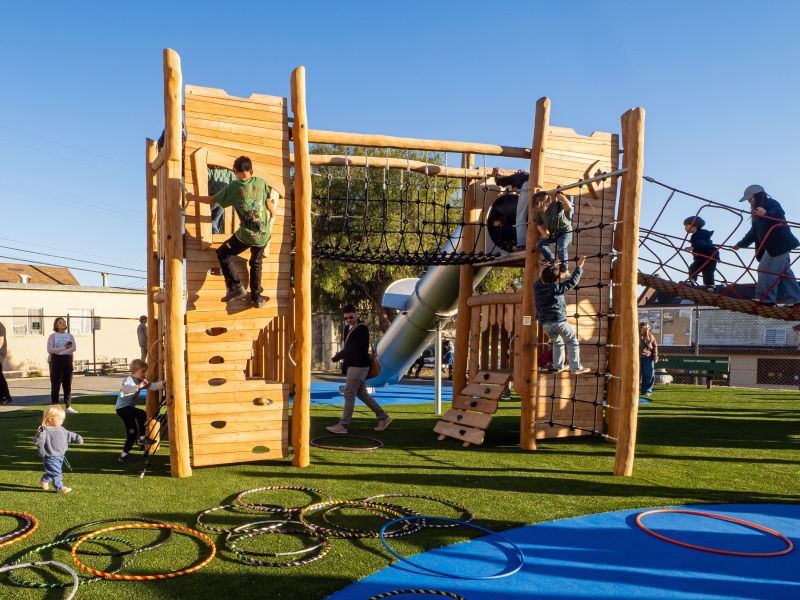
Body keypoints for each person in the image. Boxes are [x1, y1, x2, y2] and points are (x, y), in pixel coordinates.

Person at [196, 156, 276, 308]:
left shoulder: (235, 186)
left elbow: (212, 200)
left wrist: (192, 197)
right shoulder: (261, 182)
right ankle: (256, 298)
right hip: (263, 235)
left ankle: (236, 287)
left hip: (247, 235)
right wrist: (273, 213)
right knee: (256, 263)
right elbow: (267, 202)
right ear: (251, 170)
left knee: (223, 253)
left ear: (236, 172)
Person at [327, 305, 392, 434]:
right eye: (346, 318)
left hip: (359, 365)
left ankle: (343, 425)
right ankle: (383, 417)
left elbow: (353, 348)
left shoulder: (362, 329)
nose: (348, 320)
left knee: (349, 393)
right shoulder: (347, 328)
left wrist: (337, 357)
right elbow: (348, 347)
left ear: (356, 314)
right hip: (353, 365)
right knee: (361, 393)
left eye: (351, 317)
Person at [733, 184, 800, 306]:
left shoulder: (771, 203)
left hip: (778, 245)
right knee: (784, 273)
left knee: (765, 270)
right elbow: (754, 232)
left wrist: (766, 213)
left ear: (758, 196)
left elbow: (778, 213)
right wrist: (740, 244)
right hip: (775, 246)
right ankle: (794, 300)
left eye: (750, 198)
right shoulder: (755, 213)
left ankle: (766, 299)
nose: (749, 201)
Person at [534, 257, 591, 375]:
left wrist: (553, 266)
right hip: (558, 321)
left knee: (558, 342)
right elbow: (572, 282)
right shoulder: (556, 288)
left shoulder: (537, 287)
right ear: (556, 279)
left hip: (545, 324)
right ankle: (575, 367)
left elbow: (542, 277)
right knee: (572, 341)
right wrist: (579, 267)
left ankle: (557, 366)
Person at [116, 359, 164, 463]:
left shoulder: (141, 381)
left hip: (128, 409)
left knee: (132, 433)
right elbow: (124, 389)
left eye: (145, 371)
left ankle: (124, 455)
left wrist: (164, 383)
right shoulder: (128, 379)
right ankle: (142, 438)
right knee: (141, 414)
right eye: (142, 371)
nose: (144, 374)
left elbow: (153, 386)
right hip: (122, 408)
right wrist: (139, 386)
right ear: (134, 371)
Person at [33, 404, 83, 494]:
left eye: (62, 419)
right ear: (50, 418)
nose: (62, 421)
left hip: (61, 455)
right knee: (56, 472)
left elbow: (69, 434)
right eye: (59, 419)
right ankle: (60, 488)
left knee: (52, 471)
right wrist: (40, 433)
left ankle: (44, 480)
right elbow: (37, 441)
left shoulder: (61, 428)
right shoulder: (44, 430)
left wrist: (77, 438)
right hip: (50, 456)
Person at [534, 191, 574, 276]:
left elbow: (569, 208)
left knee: (561, 247)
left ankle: (564, 269)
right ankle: (552, 260)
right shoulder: (539, 212)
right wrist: (544, 233)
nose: (540, 208)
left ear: (547, 201)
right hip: (554, 233)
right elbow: (538, 224)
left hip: (565, 231)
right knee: (540, 244)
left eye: (541, 205)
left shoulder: (556, 204)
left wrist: (562, 197)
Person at [493, 169, 531, 248]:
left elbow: (500, 181)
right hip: (537, 188)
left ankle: (521, 244)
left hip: (527, 187)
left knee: (520, 217)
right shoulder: (526, 176)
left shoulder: (519, 175)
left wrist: (497, 173)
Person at [47, 317, 77, 414]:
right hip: (56, 361)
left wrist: (61, 352)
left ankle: (68, 406)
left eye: (64, 322)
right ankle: (54, 407)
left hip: (67, 360)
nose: (63, 323)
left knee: (67, 384)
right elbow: (50, 349)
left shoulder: (70, 336)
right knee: (55, 384)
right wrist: (63, 348)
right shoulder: (52, 336)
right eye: (60, 322)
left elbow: (73, 348)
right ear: (56, 325)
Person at [683, 216, 719, 289]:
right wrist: (692, 245)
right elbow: (697, 242)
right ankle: (691, 281)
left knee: (707, 272)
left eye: (686, 225)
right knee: (693, 268)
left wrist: (693, 247)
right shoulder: (694, 236)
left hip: (709, 256)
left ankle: (711, 287)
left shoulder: (702, 233)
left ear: (694, 226)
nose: (685, 227)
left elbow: (701, 242)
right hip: (700, 257)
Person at [639, 322, 659, 397]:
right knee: (636, 374)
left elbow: (655, 347)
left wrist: (655, 357)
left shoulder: (651, 336)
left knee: (649, 373)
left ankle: (646, 391)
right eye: (645, 327)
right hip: (638, 356)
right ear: (640, 328)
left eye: (648, 327)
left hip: (648, 356)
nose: (647, 329)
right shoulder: (636, 335)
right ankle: (634, 389)